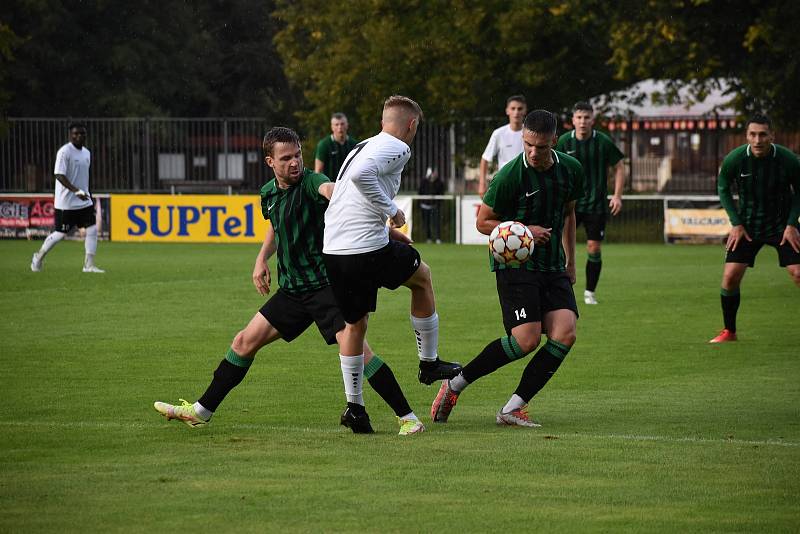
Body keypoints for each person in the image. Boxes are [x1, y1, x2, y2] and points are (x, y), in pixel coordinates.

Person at [154, 127, 424, 436]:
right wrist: (261, 259)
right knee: (244, 342)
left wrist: (387, 232)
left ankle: (408, 418)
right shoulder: (268, 193)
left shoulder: (314, 183)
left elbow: (342, 200)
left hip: (325, 287)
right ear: (270, 161)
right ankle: (200, 411)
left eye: (297, 155)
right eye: (286, 158)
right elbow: (276, 225)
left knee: (360, 353)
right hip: (293, 290)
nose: (295, 163)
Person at [431, 110, 584, 428]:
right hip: (515, 263)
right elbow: (482, 221)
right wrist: (526, 229)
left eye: (540, 147)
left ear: (554, 141)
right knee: (526, 340)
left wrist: (571, 262)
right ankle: (456, 384)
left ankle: (512, 408)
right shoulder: (509, 176)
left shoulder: (571, 170)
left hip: (553, 264)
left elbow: (569, 214)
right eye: (527, 144)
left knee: (565, 333)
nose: (532, 152)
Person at [322, 95, 462, 430]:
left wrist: (386, 229)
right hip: (366, 249)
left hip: (334, 249)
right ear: (412, 125)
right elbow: (360, 177)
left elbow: (348, 189)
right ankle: (428, 363)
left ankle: (354, 407)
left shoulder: (364, 143)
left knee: (355, 326)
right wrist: (392, 210)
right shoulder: (398, 147)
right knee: (423, 277)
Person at [709, 114, 800, 343]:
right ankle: (729, 332)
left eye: (762, 134)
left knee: (798, 273)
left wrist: (791, 224)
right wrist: (736, 223)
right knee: (730, 277)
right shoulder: (735, 159)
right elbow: (722, 188)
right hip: (747, 227)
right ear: (747, 136)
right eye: (753, 134)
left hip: (782, 226)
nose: (757, 140)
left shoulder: (788, 159)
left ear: (772, 136)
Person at [556, 101, 625, 305]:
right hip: (570, 205)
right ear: (573, 121)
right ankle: (562, 286)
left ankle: (589, 292)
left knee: (593, 247)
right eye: (579, 117)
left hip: (596, 204)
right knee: (561, 245)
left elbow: (619, 167)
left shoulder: (603, 142)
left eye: (586, 117)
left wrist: (617, 195)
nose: (583, 121)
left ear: (592, 120)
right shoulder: (564, 142)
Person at [31, 122, 104, 273]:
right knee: (59, 234)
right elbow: (59, 174)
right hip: (66, 203)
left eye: (82, 134)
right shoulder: (64, 152)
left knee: (92, 229)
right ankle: (38, 257)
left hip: (84, 202)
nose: (79, 136)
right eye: (75, 133)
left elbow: (85, 177)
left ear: (85, 136)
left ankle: (88, 265)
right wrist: (76, 190)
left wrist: (88, 193)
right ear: (70, 135)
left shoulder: (87, 153)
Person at [478, 95, 528, 198]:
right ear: (507, 111)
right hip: (504, 183)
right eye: (513, 108)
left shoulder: (530, 133)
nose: (516, 112)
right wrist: (482, 183)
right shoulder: (498, 134)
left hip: (526, 184)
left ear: (525, 111)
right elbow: (485, 158)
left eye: (520, 109)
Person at [314, 112, 358, 180]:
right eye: (336, 124)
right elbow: (318, 171)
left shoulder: (354, 144)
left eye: (342, 124)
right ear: (332, 127)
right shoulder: (324, 145)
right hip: (330, 186)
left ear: (347, 125)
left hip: (349, 186)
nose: (340, 127)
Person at [418, 167, 445, 243]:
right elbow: (420, 192)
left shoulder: (439, 182)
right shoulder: (424, 181)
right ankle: (428, 238)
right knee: (426, 223)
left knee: (436, 223)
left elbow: (441, 192)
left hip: (435, 206)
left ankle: (438, 238)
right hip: (425, 206)